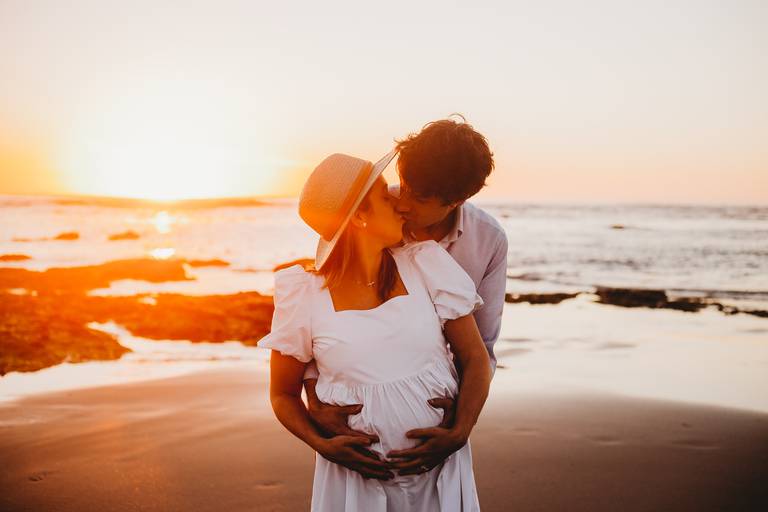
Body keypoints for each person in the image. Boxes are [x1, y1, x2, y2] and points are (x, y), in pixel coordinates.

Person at [259, 150, 492, 511]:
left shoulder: (426, 263)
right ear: (359, 218)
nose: (400, 204)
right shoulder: (302, 295)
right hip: (356, 483)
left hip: (440, 471)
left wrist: (459, 431)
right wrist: (320, 443)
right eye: (386, 196)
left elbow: (476, 356)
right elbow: (281, 394)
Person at [303, 117, 508, 477]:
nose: (402, 202)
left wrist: (460, 425)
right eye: (405, 185)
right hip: (361, 433)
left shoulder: (488, 240)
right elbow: (323, 317)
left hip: (434, 431)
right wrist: (314, 401)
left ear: (455, 200)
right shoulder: (370, 213)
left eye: (419, 197)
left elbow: (481, 347)